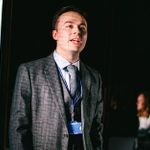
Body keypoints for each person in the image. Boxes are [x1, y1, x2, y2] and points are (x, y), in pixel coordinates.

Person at [9, 5, 103, 150]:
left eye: (82, 28)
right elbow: (18, 129)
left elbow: (97, 128)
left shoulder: (95, 77)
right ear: (55, 34)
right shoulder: (29, 71)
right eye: (69, 26)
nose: (77, 31)